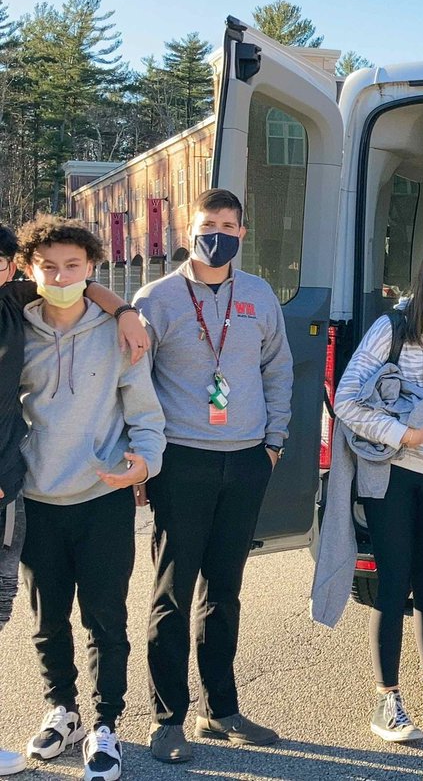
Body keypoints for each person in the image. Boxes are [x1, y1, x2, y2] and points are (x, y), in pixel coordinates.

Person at [134, 190, 293, 764]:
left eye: (228, 225)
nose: (217, 233)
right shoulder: (155, 299)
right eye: (208, 224)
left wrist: (274, 443)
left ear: (242, 233)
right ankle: (166, 719)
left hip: (247, 458)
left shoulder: (258, 295)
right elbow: (136, 383)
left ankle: (220, 709)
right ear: (189, 227)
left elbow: (278, 366)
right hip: (183, 462)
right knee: (173, 595)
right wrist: (145, 460)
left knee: (223, 592)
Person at [15, 216, 166, 781]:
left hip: (102, 498)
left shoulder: (120, 331)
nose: (60, 276)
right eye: (48, 266)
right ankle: (64, 712)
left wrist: (145, 463)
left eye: (72, 266)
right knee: (47, 619)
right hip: (35, 498)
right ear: (31, 270)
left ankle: (105, 725)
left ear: (91, 269)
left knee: (105, 619)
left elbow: (146, 413)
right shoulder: (15, 326)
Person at [320, 235, 423, 742]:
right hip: (391, 474)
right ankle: (387, 701)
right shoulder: (392, 326)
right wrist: (402, 434)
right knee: (393, 585)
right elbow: (346, 399)